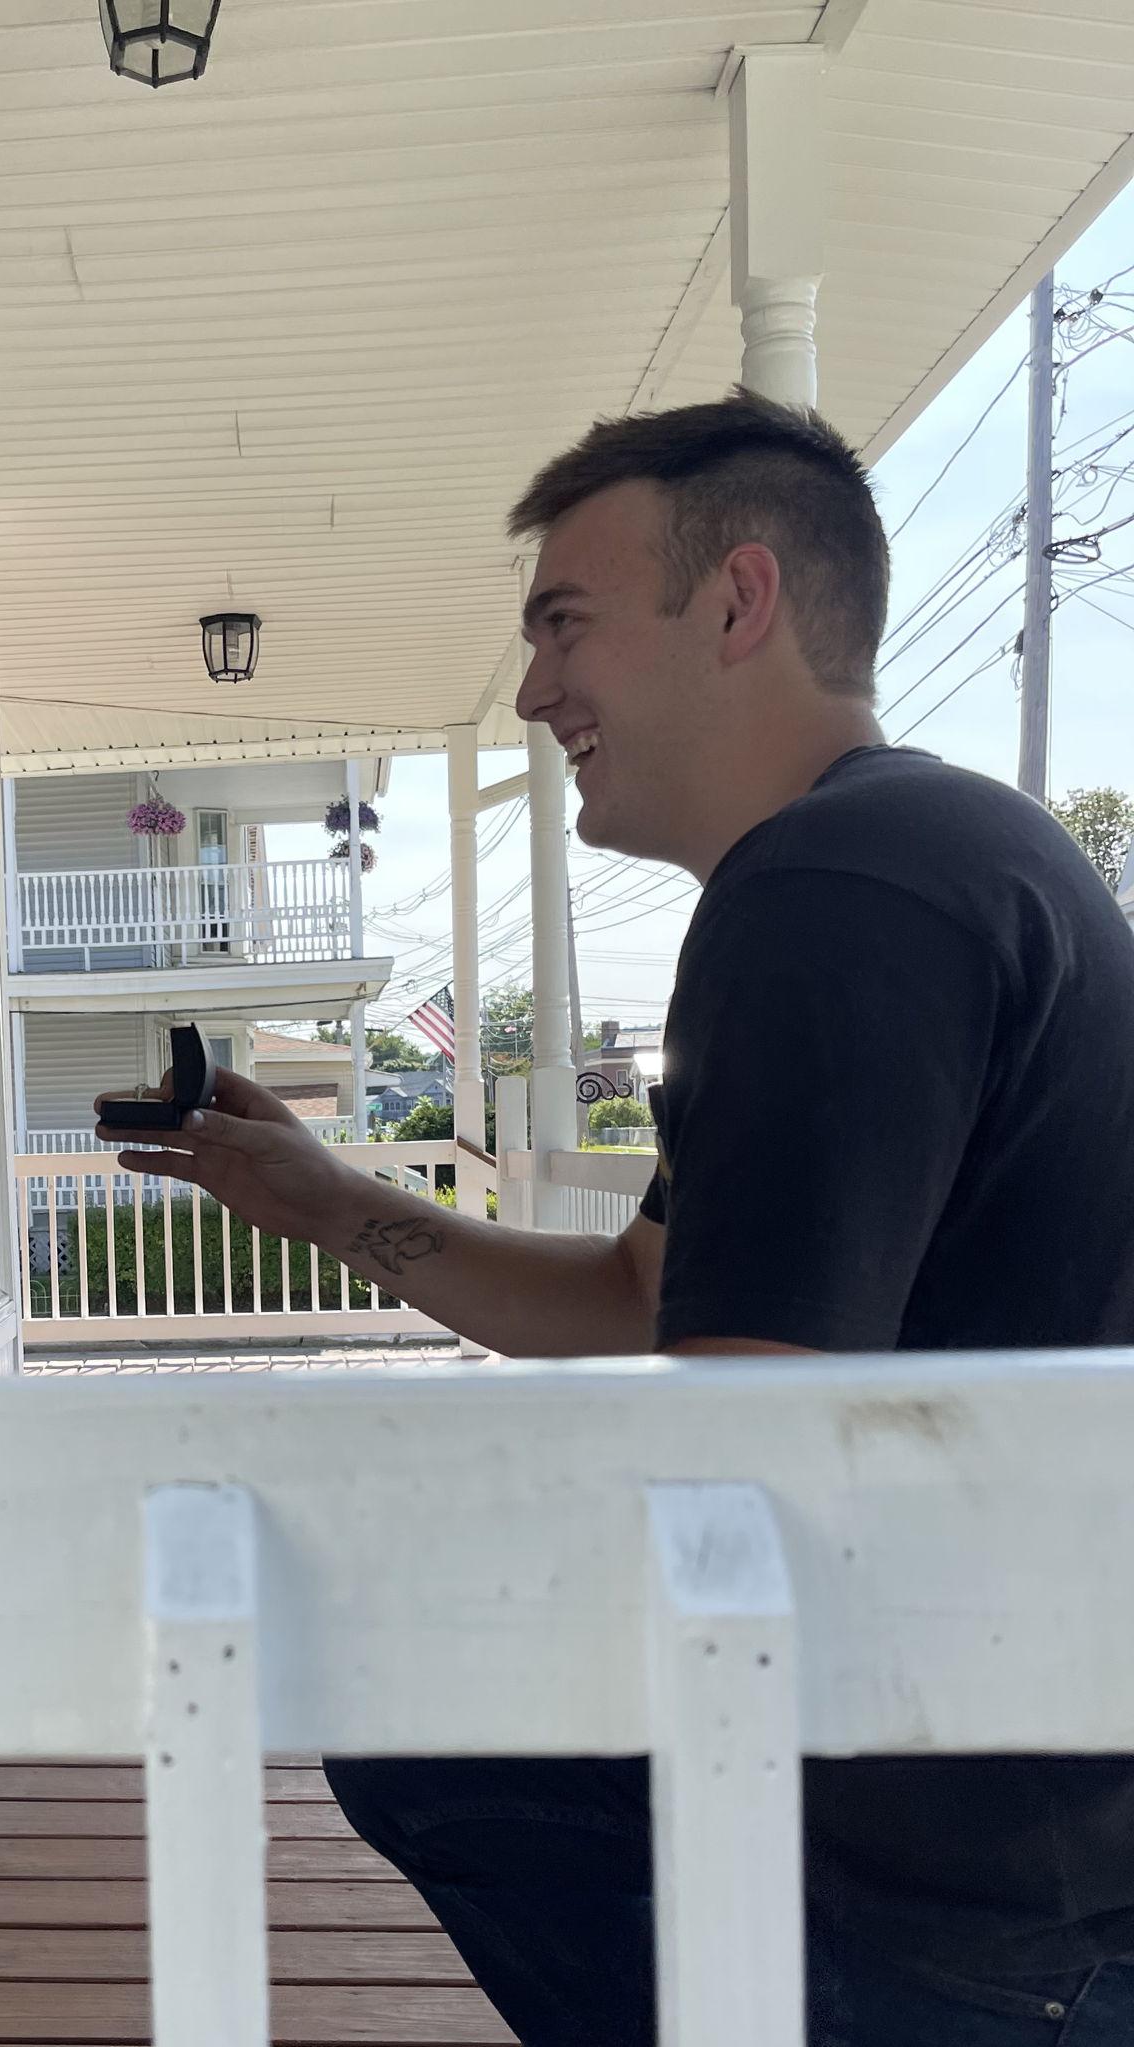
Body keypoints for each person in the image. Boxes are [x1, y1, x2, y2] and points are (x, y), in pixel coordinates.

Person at [101, 391, 1134, 2044]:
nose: (533, 689)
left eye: (565, 623)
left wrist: (370, 1513)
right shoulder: (913, 855)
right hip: (1021, 1796)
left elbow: (737, 1432)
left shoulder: (831, 891)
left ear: (738, 602)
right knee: (426, 1713)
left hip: (971, 1874)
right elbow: (649, 1298)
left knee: (416, 1694)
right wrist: (332, 1203)